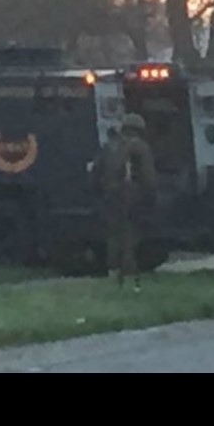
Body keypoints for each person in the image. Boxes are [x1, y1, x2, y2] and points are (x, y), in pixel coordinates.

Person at [92, 113, 156, 292]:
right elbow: (148, 178)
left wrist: (101, 195)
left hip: (110, 198)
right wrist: (150, 199)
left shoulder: (109, 147)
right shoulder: (140, 148)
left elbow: (95, 175)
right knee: (130, 237)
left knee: (113, 237)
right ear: (140, 130)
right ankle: (128, 277)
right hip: (132, 198)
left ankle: (113, 273)